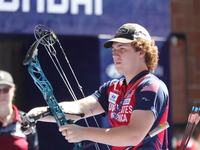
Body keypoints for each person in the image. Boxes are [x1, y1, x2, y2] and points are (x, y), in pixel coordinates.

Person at [24, 23, 169, 150]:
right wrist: (38, 113)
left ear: (141, 51)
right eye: (113, 49)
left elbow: (133, 135)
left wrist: (84, 133)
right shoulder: (113, 87)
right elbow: (79, 109)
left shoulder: (151, 87)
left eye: (122, 48)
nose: (115, 54)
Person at [0, 70, 39, 150]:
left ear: (13, 90)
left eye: (6, 90)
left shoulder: (25, 120)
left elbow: (34, 147)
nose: (2, 94)